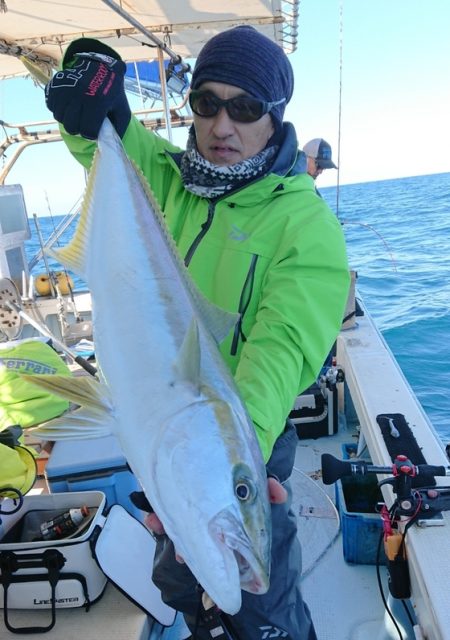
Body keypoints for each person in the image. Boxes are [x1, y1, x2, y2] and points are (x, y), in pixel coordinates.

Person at [45, 25, 350, 640]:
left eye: (245, 108)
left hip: (242, 435)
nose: (221, 126)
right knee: (181, 583)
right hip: (167, 436)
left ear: (275, 117)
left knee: (265, 605)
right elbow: (100, 137)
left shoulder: (305, 225)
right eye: (207, 103)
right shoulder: (166, 175)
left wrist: (240, 458)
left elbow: (282, 349)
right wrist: (89, 75)